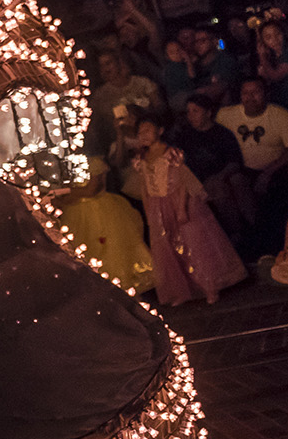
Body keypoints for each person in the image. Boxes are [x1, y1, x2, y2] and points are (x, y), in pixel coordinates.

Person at [130, 116, 247, 306]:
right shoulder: (140, 158)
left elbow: (182, 181)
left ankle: (210, 287)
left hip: (177, 199)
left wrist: (181, 208)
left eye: (148, 130)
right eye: (140, 132)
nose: (143, 135)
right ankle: (180, 291)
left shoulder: (172, 153)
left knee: (194, 244)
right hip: (157, 205)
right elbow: (144, 187)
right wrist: (148, 212)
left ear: (160, 131)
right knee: (168, 246)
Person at [217, 78, 288, 246]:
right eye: (246, 93)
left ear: (266, 93)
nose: (250, 97)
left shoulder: (280, 115)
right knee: (234, 181)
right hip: (243, 169)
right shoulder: (226, 116)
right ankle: (254, 230)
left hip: (276, 167)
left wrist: (268, 173)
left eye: (255, 92)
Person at [56, 155, 156, 296]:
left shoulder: (93, 162)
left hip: (96, 211)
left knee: (108, 250)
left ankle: (117, 291)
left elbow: (91, 190)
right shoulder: (66, 162)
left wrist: (64, 194)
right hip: (76, 213)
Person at [172, 92, 252, 233]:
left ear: (208, 113)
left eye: (195, 111)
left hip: (220, 176)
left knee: (237, 181)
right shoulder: (184, 136)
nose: (190, 116)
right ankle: (235, 232)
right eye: (188, 112)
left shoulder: (222, 134)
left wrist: (220, 176)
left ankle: (252, 224)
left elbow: (234, 162)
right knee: (218, 190)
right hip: (196, 180)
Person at [89, 48, 164, 149]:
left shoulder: (142, 83)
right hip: (123, 146)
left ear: (119, 62)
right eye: (101, 65)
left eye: (108, 63)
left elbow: (160, 108)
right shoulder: (100, 95)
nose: (105, 69)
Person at [188, 28, 240, 109]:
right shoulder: (195, 66)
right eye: (195, 41)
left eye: (202, 40)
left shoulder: (225, 60)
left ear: (214, 41)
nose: (198, 44)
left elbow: (224, 85)